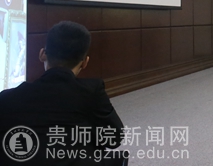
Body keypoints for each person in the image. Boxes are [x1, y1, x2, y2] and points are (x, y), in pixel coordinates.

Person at [0, 21, 124, 165]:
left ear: (42, 54)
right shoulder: (91, 92)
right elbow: (114, 138)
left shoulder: (6, 98)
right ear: (85, 62)